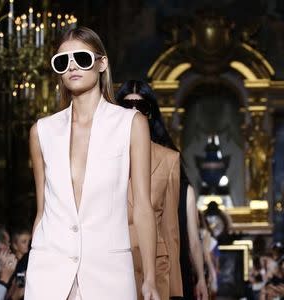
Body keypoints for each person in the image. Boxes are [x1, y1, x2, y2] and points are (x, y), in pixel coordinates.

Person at [25, 28, 159, 300]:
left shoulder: (131, 124)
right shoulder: (42, 131)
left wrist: (150, 278)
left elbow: (143, 206)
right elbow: (42, 211)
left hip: (108, 273)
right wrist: (30, 265)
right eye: (62, 61)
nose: (72, 65)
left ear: (102, 63)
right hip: (48, 271)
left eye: (82, 58)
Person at [117, 80, 208, 300]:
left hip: (154, 266)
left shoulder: (169, 160)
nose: (134, 113)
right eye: (127, 106)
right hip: (114, 263)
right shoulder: (100, 154)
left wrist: (178, 287)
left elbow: (171, 230)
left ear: (150, 113)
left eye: (141, 107)